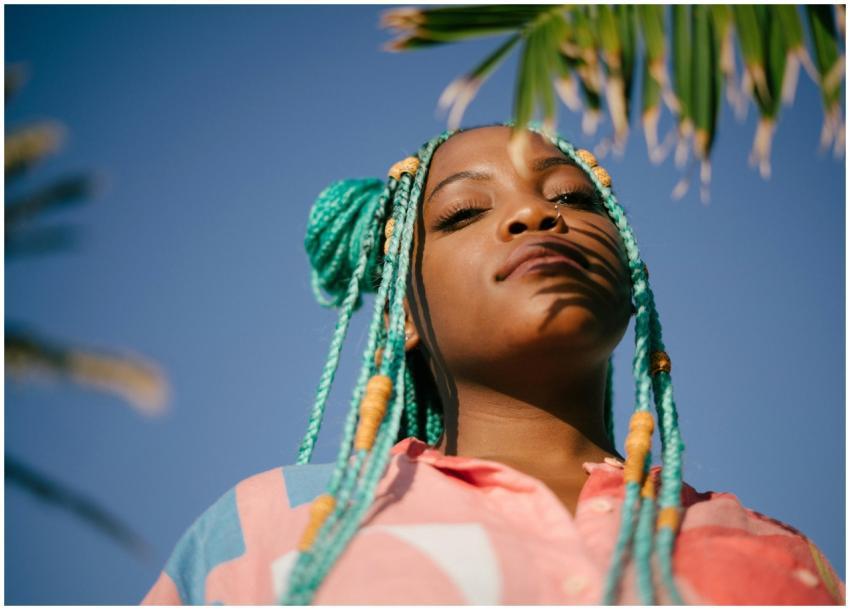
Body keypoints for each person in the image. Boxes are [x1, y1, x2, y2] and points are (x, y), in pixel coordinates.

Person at [141, 123, 844, 605]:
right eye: (462, 213)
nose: (534, 216)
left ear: (631, 273)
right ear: (403, 316)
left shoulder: (782, 554)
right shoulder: (269, 523)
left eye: (570, 197)